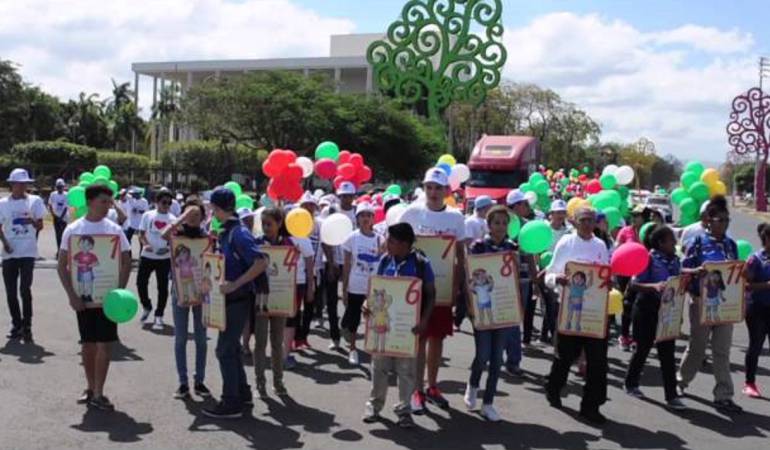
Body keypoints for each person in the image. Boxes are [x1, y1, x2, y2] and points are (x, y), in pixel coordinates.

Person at [56, 184, 131, 411]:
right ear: (89, 202)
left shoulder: (114, 230)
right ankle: (90, 388)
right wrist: (72, 296)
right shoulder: (73, 230)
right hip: (83, 299)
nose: (108, 206)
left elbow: (127, 260)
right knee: (88, 345)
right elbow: (62, 265)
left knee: (105, 345)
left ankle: (99, 392)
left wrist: (118, 293)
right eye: (103, 201)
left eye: (110, 201)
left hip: (108, 300)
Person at [398, 168, 466, 412]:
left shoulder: (456, 218)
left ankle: (432, 385)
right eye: (429, 187)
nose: (434, 192)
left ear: (447, 190)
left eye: (438, 187)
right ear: (424, 188)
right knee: (419, 339)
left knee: (437, 339)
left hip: (443, 290)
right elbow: (396, 248)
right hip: (415, 291)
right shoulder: (411, 212)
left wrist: (457, 288)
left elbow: (460, 256)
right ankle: (416, 388)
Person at [202, 188, 267, 419]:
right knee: (230, 349)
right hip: (228, 299)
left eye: (212, 208)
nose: (211, 211)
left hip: (237, 299)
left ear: (218, 208)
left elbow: (261, 261)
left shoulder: (238, 232)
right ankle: (243, 393)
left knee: (225, 350)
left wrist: (235, 284)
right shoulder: (226, 231)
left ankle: (231, 402)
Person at [362, 222, 434, 428]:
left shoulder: (421, 262)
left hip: (407, 328)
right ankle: (374, 406)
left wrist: (425, 320)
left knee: (406, 371)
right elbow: (375, 289)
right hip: (382, 325)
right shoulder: (385, 260)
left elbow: (431, 294)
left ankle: (404, 411)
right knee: (379, 367)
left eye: (391, 240)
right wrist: (367, 305)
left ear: (404, 243)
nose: (387, 244)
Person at [677, 195, 743, 414]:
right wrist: (696, 273)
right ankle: (680, 382)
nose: (723, 224)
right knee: (697, 347)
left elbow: (734, 275)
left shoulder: (731, 245)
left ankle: (723, 394)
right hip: (700, 303)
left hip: (724, 305)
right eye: (720, 220)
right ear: (709, 220)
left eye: (727, 220)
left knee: (722, 350)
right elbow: (682, 270)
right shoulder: (697, 243)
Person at [545, 207, 611, 425]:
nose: (587, 224)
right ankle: (554, 388)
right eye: (583, 220)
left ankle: (591, 406)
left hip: (594, 312)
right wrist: (558, 279)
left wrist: (607, 283)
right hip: (570, 308)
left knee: (598, 361)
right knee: (565, 357)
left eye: (591, 220)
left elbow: (604, 274)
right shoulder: (566, 242)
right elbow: (550, 274)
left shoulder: (600, 245)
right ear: (575, 221)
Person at [624, 224, 688, 410]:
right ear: (660, 243)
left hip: (667, 312)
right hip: (646, 309)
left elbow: (678, 279)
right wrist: (654, 286)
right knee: (642, 349)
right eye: (670, 240)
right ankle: (631, 383)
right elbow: (634, 284)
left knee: (667, 355)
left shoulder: (675, 260)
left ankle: (671, 396)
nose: (674, 243)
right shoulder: (648, 259)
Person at [464, 205, 517, 422]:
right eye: (496, 223)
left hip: (503, 310)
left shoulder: (512, 247)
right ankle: (473, 385)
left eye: (504, 223)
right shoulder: (478, 246)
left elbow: (513, 279)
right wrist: (469, 306)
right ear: (488, 225)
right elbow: (469, 277)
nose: (501, 227)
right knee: (483, 354)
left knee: (497, 359)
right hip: (482, 308)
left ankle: (488, 403)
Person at [161, 198, 211, 400]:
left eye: (197, 215)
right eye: (190, 215)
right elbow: (163, 234)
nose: (193, 218)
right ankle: (183, 383)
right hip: (179, 291)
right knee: (180, 337)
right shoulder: (176, 236)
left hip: (201, 291)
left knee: (201, 338)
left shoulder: (206, 237)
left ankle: (199, 381)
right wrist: (182, 217)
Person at [251, 207, 293, 398]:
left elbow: (291, 270)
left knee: (277, 343)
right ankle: (260, 381)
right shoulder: (257, 244)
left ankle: (278, 381)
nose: (266, 227)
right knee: (260, 343)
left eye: (270, 223)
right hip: (261, 298)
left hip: (280, 299)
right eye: (264, 224)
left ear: (279, 223)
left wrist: (294, 256)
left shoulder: (287, 244)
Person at [0, 168, 46, 341]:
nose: (22, 187)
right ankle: (16, 324)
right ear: (12, 184)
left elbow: (40, 225)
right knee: (11, 292)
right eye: (19, 184)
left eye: (25, 184)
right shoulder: (3, 203)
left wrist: (32, 221)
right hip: (9, 253)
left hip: (27, 251)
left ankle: (27, 325)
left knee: (24, 290)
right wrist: (5, 244)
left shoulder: (35, 201)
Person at [341, 202, 383, 365]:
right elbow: (346, 265)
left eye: (368, 215)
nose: (365, 219)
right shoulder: (352, 238)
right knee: (354, 318)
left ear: (373, 218)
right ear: (357, 219)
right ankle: (352, 348)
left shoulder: (381, 239)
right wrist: (344, 289)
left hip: (374, 287)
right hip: (356, 285)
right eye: (362, 216)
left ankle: (373, 349)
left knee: (374, 319)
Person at [321, 182, 357, 350]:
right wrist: (330, 262)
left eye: (349, 195)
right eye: (343, 195)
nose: (346, 199)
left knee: (353, 299)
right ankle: (335, 337)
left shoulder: (358, 213)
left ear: (353, 196)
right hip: (333, 262)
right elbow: (324, 237)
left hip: (352, 263)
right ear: (339, 196)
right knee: (331, 302)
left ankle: (345, 325)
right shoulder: (330, 211)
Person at [137, 188, 176, 329]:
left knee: (163, 287)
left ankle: (159, 315)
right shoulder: (148, 215)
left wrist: (168, 247)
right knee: (140, 283)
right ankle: (147, 306)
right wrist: (146, 244)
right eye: (164, 202)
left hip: (164, 258)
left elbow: (175, 239)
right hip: (147, 256)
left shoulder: (173, 219)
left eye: (169, 203)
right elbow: (141, 234)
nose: (166, 205)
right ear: (156, 202)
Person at [505, 189, 535, 370]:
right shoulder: (501, 223)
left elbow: (531, 253)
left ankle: (513, 360)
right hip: (503, 279)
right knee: (501, 318)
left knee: (516, 319)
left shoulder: (528, 226)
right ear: (515, 206)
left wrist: (534, 277)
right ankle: (497, 355)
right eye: (524, 204)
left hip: (523, 279)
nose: (527, 207)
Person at [282, 206, 315, 370]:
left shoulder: (301, 239)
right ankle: (283, 355)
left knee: (287, 319)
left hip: (295, 283)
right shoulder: (286, 238)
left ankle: (282, 353)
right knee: (289, 320)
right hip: (289, 283)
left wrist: (310, 287)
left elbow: (310, 265)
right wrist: (311, 287)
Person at [538, 199, 573, 344]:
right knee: (549, 303)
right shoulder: (544, 229)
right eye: (557, 212)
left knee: (555, 305)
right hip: (545, 271)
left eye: (562, 212)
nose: (560, 215)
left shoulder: (568, 232)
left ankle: (546, 334)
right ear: (551, 214)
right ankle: (552, 335)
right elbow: (536, 249)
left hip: (561, 273)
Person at [743, 223, 770, 398]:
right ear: (766, 239)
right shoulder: (755, 259)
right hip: (757, 309)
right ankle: (749, 383)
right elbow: (746, 285)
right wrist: (766, 285)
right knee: (756, 346)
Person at [616, 205, 648, 351]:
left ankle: (637, 337)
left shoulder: (648, 232)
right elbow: (617, 249)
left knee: (640, 306)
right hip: (625, 274)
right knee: (627, 305)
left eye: (638, 215)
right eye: (633, 215)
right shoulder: (625, 231)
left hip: (643, 273)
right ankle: (624, 336)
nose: (634, 218)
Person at [48, 178, 69, 253]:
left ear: (63, 187)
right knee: (57, 235)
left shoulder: (66, 195)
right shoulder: (53, 194)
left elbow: (66, 207)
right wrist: (53, 215)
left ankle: (64, 250)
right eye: (58, 187)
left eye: (61, 186)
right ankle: (59, 250)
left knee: (63, 234)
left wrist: (61, 217)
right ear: (56, 187)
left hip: (64, 218)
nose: (60, 188)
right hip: (56, 218)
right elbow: (50, 205)